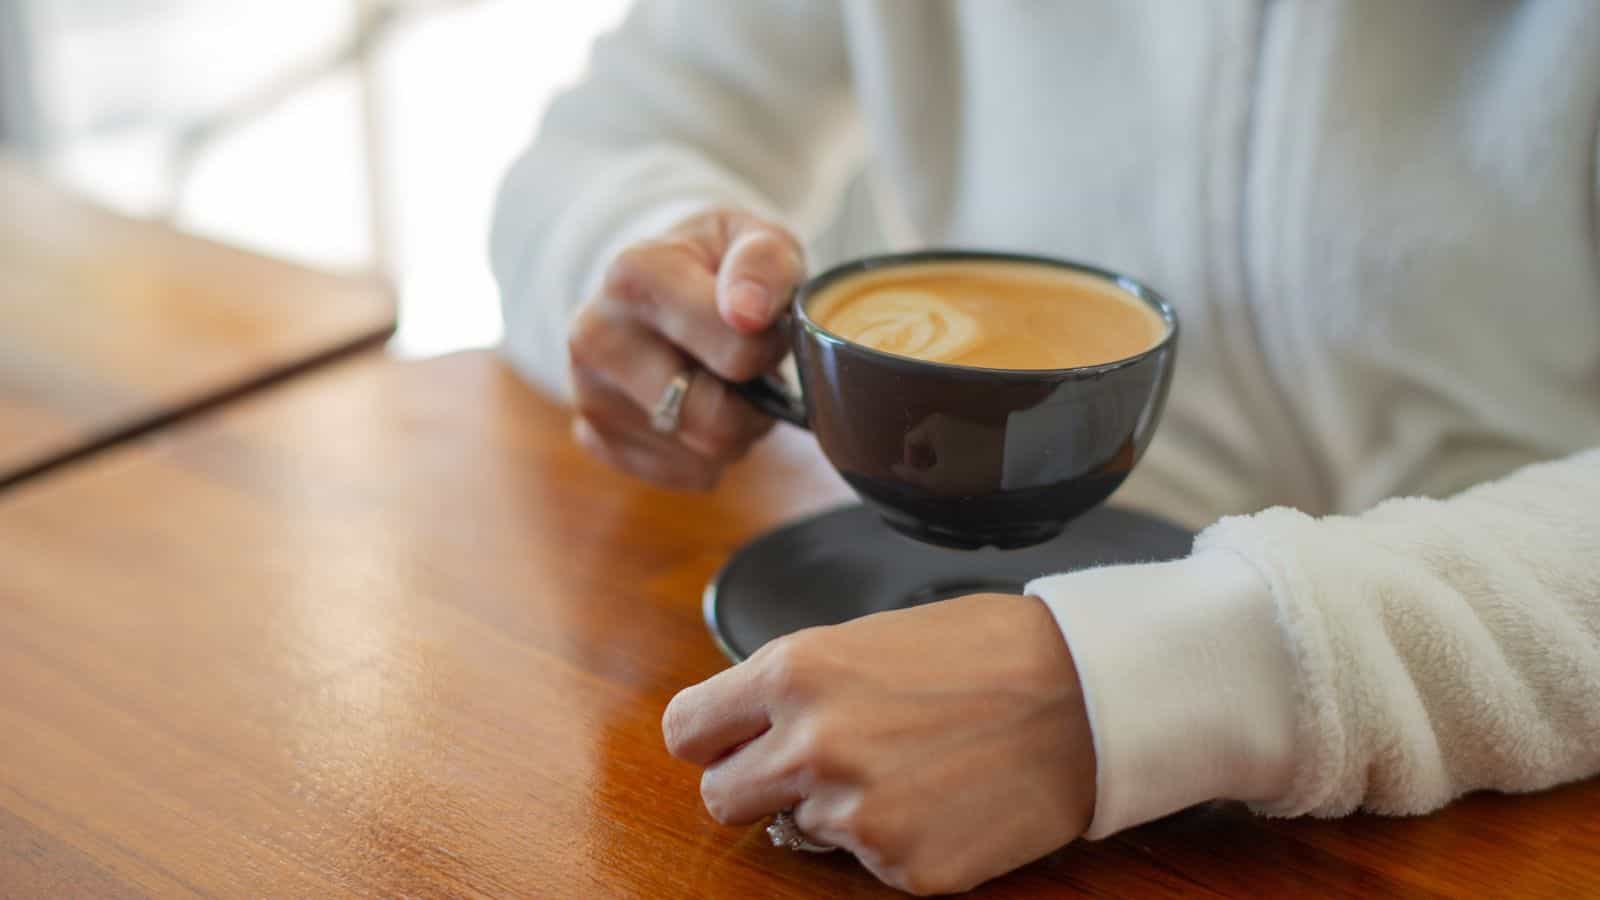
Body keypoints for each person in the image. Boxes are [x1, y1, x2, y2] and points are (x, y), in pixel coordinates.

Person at [491, 2, 1600, 894]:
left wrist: (1137, 686)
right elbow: (600, 144)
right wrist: (649, 275)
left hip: (1522, 775)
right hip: (946, 710)